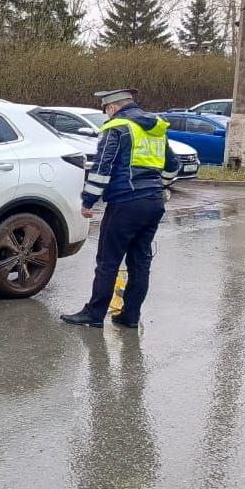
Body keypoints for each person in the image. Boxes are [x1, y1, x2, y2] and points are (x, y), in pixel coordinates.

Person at [60, 88, 180, 329]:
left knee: (108, 261)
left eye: (106, 111)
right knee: (140, 261)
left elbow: (103, 167)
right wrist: (159, 186)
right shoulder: (156, 128)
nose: (107, 116)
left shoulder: (117, 127)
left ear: (113, 107)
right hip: (154, 201)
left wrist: (88, 201)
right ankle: (130, 316)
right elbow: (173, 166)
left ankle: (94, 314)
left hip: (125, 201)